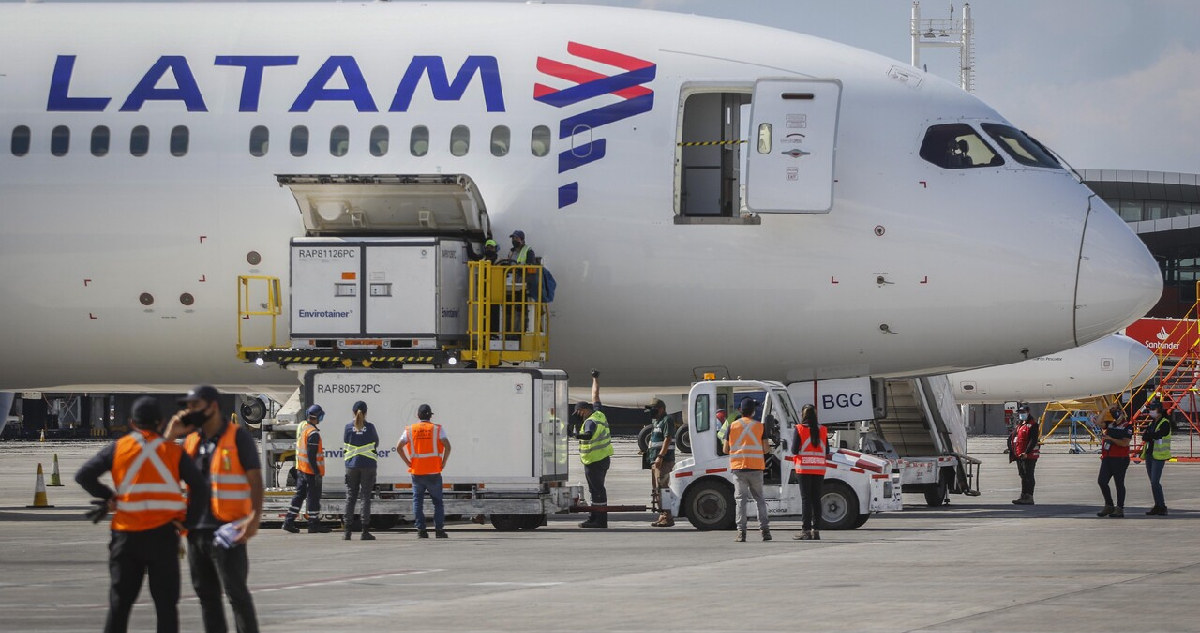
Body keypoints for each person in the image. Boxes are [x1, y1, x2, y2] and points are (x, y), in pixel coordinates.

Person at [76, 396, 203, 633]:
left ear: (132, 422)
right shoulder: (172, 451)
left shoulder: (119, 447)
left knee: (120, 605)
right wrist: (189, 522)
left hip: (126, 537)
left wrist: (109, 497)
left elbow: (83, 476)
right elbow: (200, 486)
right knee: (166, 606)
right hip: (163, 536)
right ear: (161, 421)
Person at [168, 385, 263, 633]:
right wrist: (169, 436)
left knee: (237, 595)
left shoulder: (237, 436)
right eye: (188, 406)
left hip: (229, 530)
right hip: (196, 531)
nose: (189, 411)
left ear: (212, 407)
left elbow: (255, 480)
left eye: (195, 406)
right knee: (207, 598)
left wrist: (253, 519)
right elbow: (161, 470)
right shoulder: (190, 440)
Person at [397, 403, 452, 538]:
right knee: (438, 502)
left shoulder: (410, 430)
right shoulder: (437, 429)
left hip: (417, 472)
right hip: (434, 471)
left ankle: (421, 531)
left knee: (418, 502)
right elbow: (448, 446)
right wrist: (443, 461)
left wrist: (407, 462)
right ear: (430, 416)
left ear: (417, 415)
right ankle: (439, 531)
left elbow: (398, 447)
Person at [725, 398, 770, 542]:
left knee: (741, 501)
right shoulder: (760, 427)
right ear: (753, 411)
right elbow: (766, 448)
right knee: (759, 499)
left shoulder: (732, 426)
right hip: (756, 468)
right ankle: (765, 531)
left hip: (739, 469)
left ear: (740, 410)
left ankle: (741, 533)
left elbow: (725, 449)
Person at [283, 404, 330, 533]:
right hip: (310, 471)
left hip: (301, 469)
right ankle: (313, 524)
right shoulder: (313, 433)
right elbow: (311, 454)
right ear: (317, 417)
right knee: (313, 498)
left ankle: (288, 521)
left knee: (299, 496)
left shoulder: (304, 428)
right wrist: (316, 472)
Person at [575, 369, 612, 529]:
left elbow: (588, 435)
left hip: (594, 461)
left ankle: (599, 520)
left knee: (596, 490)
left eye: (578, 412)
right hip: (603, 459)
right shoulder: (599, 413)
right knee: (596, 490)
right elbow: (595, 396)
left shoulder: (590, 421)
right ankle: (595, 517)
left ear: (583, 410)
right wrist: (595, 379)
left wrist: (576, 435)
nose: (578, 415)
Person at [343, 400, 380, 540]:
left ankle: (347, 532)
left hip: (351, 466)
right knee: (365, 497)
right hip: (368, 465)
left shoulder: (347, 427)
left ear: (353, 412)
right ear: (365, 412)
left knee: (350, 497)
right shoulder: (370, 427)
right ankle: (365, 531)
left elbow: (345, 443)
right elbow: (376, 442)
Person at [791, 404, 828, 540]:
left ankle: (805, 530)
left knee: (806, 499)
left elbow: (794, 450)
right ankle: (816, 530)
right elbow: (827, 451)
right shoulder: (823, 429)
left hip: (804, 468)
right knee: (816, 499)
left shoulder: (799, 429)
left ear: (803, 415)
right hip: (819, 468)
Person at [1097, 404, 1132, 518]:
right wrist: (1106, 410)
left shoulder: (1127, 426)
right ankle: (1109, 505)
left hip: (1120, 458)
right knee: (1102, 481)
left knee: (1119, 483)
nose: (1114, 413)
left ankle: (1120, 508)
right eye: (1112, 411)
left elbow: (1125, 443)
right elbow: (1098, 422)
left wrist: (1112, 439)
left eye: (1115, 410)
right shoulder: (1110, 424)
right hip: (1107, 457)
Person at [646, 398, 675, 528]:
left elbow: (667, 438)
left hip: (664, 460)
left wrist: (660, 456)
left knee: (664, 489)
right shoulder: (657, 422)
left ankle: (668, 516)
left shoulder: (667, 420)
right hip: (655, 460)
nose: (652, 411)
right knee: (657, 489)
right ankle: (662, 515)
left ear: (661, 409)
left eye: (654, 409)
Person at [1141, 400, 1172, 515]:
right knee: (1152, 482)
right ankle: (1158, 505)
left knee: (1155, 481)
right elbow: (1145, 436)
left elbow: (1158, 434)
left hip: (1159, 456)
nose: (1150, 412)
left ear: (1159, 410)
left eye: (1152, 409)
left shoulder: (1165, 423)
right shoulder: (1152, 423)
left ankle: (1162, 506)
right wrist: (1150, 436)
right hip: (1150, 455)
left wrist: (1150, 436)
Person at [1010, 403, 1040, 505]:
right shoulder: (1020, 425)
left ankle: (1029, 496)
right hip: (1020, 455)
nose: (1021, 414)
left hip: (1028, 456)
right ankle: (1023, 495)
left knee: (1028, 476)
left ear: (1028, 412)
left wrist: (1026, 453)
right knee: (1023, 475)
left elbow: (1033, 440)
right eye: (1020, 413)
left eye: (1023, 412)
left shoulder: (1033, 425)